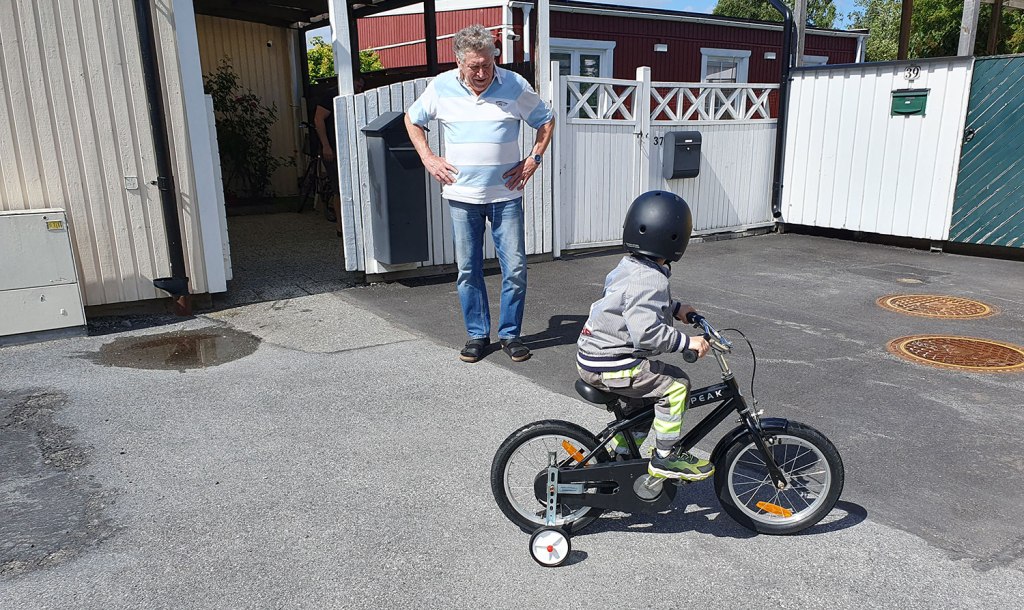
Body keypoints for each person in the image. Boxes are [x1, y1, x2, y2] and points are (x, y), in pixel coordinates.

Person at [404, 24, 554, 364]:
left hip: (506, 196)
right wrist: (428, 157)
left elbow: (546, 120)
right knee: (468, 270)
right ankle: (476, 334)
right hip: (462, 198)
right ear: (459, 61)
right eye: (475, 66)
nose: (483, 72)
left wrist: (534, 159)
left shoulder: (514, 85)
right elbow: (412, 120)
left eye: (488, 63)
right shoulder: (441, 87)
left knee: (515, 268)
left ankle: (510, 335)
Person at [575, 190, 715, 482]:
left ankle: (622, 456)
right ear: (675, 238)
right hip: (612, 362)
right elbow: (648, 334)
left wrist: (676, 308)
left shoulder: (631, 265)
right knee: (676, 386)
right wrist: (687, 342)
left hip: (595, 356)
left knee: (645, 404)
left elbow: (628, 303)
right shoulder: (650, 278)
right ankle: (666, 457)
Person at [312, 76, 364, 230]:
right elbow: (318, 119)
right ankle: (341, 227)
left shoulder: (356, 98)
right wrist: (326, 146)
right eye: (358, 86)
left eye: (361, 87)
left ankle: (353, 224)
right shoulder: (331, 95)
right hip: (332, 149)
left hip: (350, 149)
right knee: (339, 188)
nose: (359, 90)